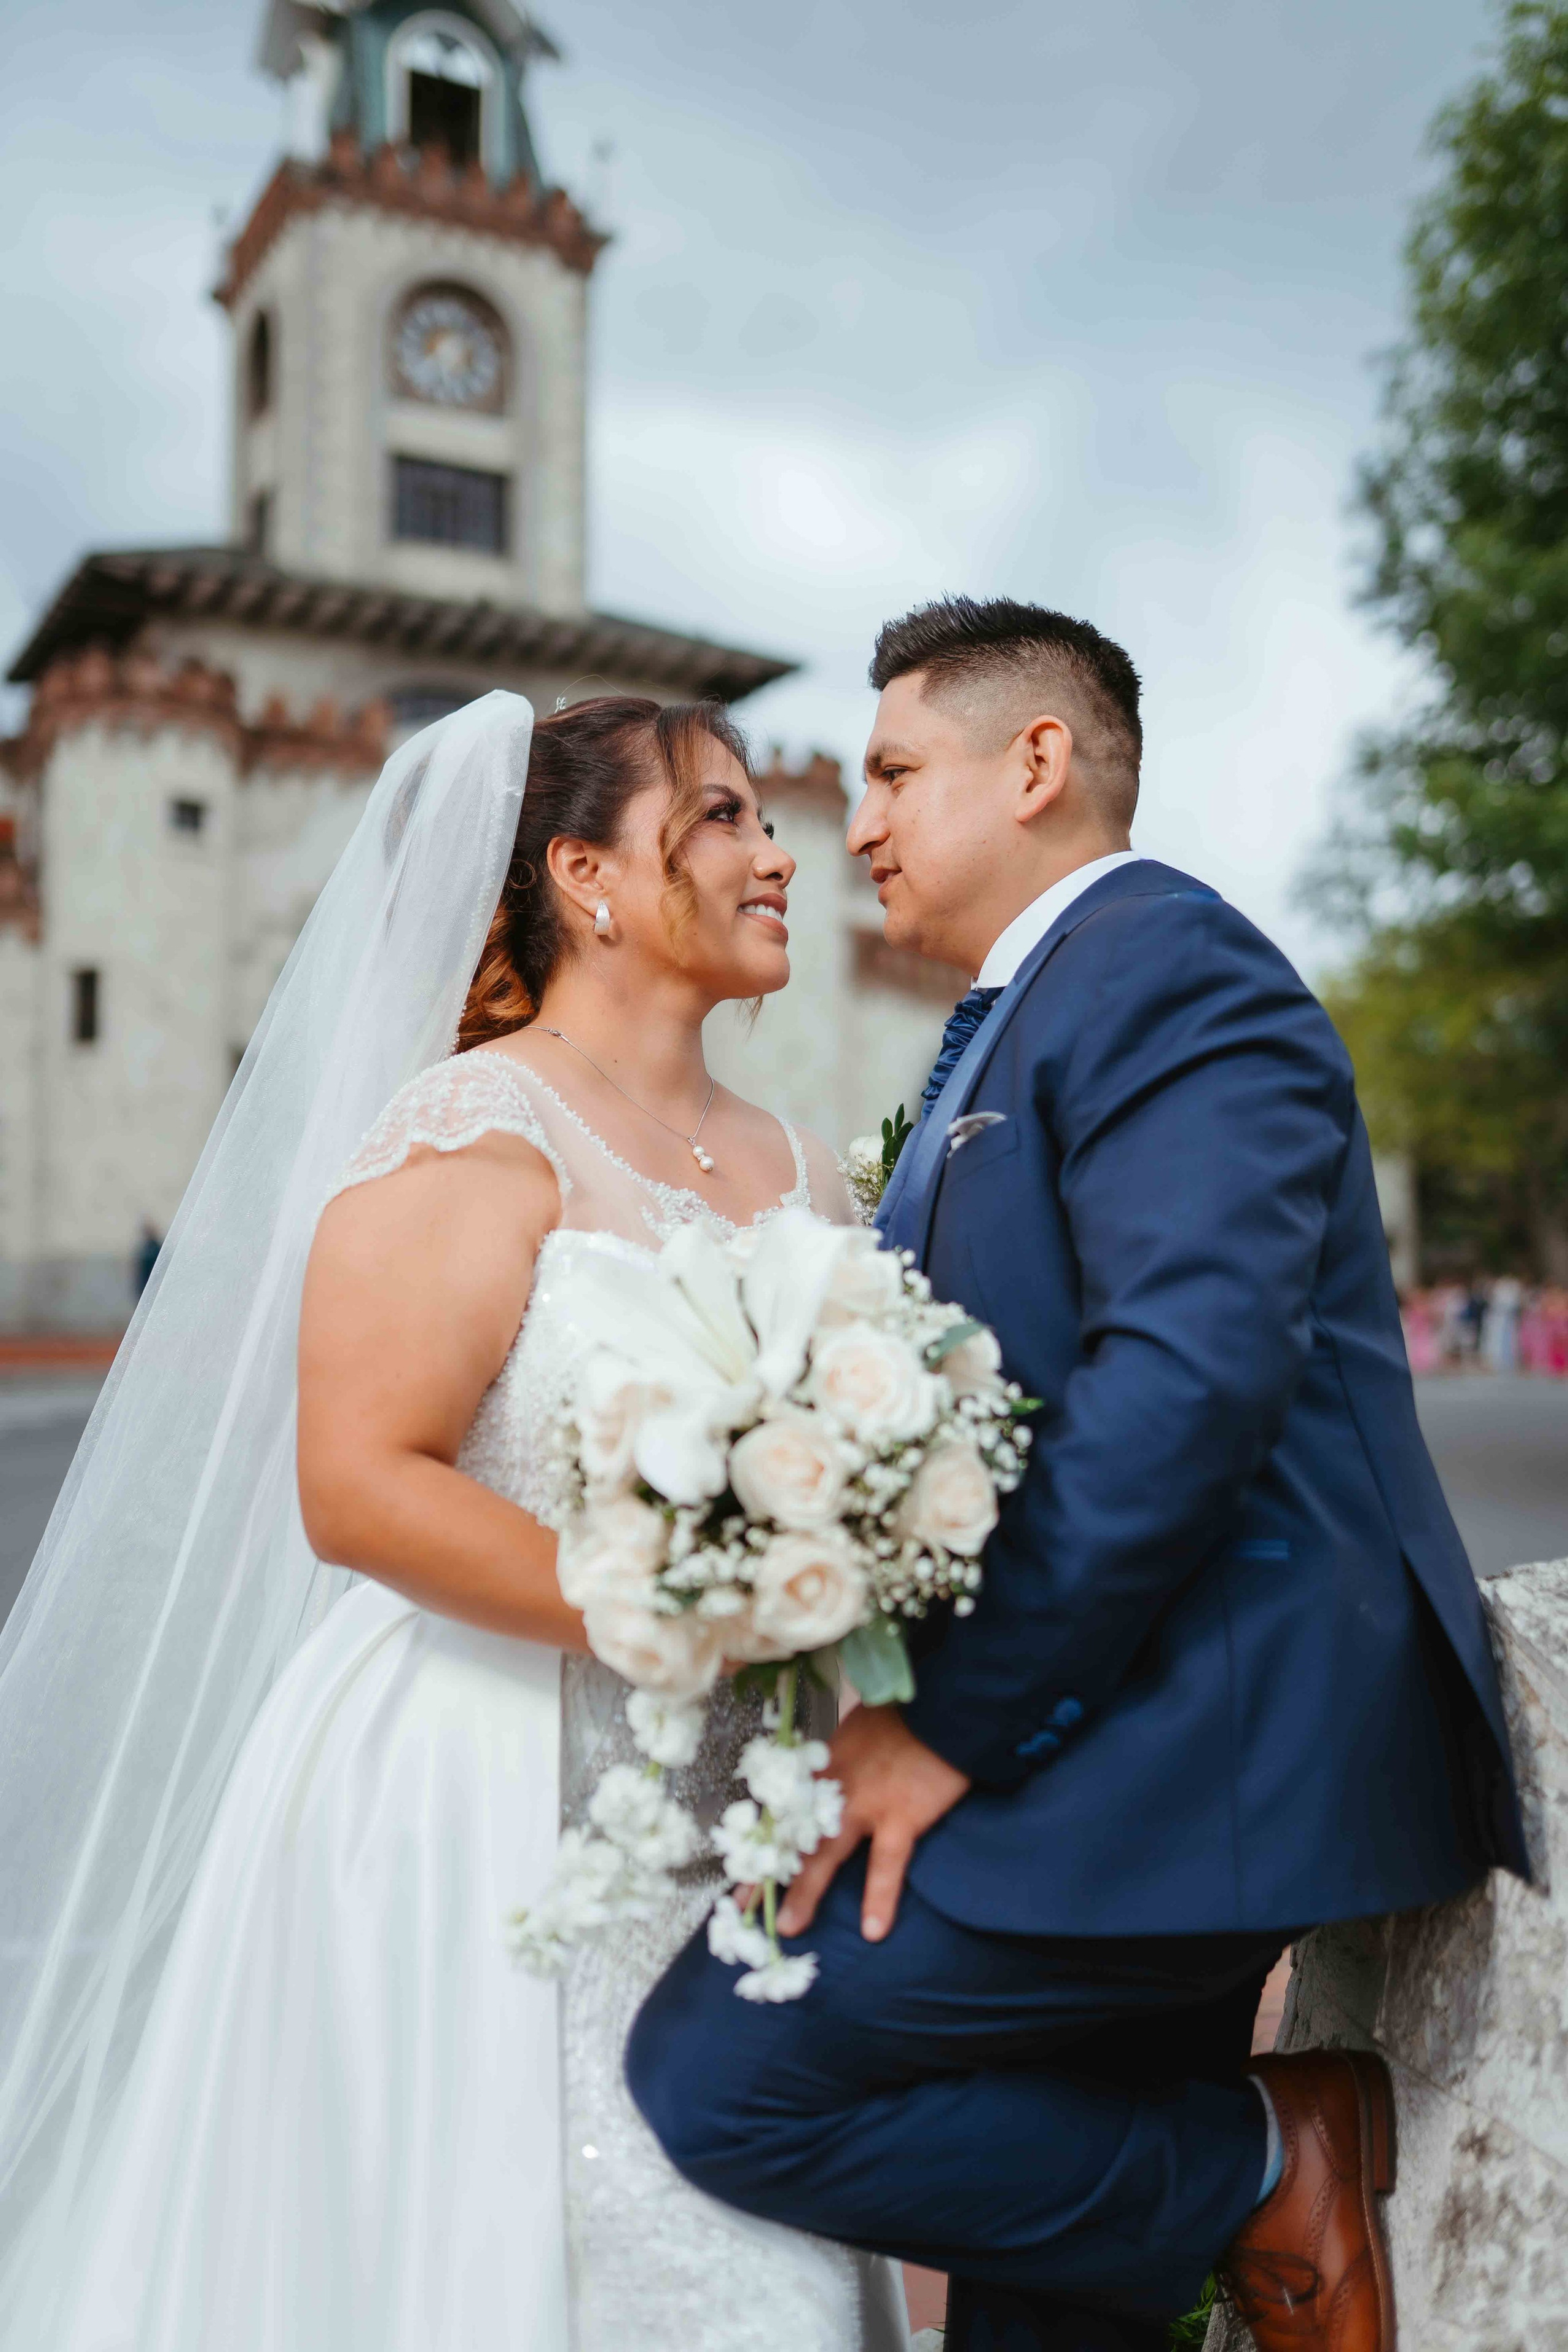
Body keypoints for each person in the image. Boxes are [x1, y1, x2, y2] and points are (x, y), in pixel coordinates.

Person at [628, 598, 1528, 2352]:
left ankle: (1271, 2158)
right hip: (1120, 1724)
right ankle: (1230, 2174)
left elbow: (1183, 1392)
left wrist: (943, 1729)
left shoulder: (1169, 968)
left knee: (726, 2072)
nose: (858, 822)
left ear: (1035, 762)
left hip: (1210, 1741)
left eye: (890, 772)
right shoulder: (1026, 1011)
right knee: (1045, 2320)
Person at [0, 692, 907, 2352]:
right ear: (589, 876)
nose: (783, 854)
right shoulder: (470, 1132)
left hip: (743, 1809)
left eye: (766, 821)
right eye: (722, 820)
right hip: (482, 1798)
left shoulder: (805, 1169)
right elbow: (358, 1484)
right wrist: (684, 1612)